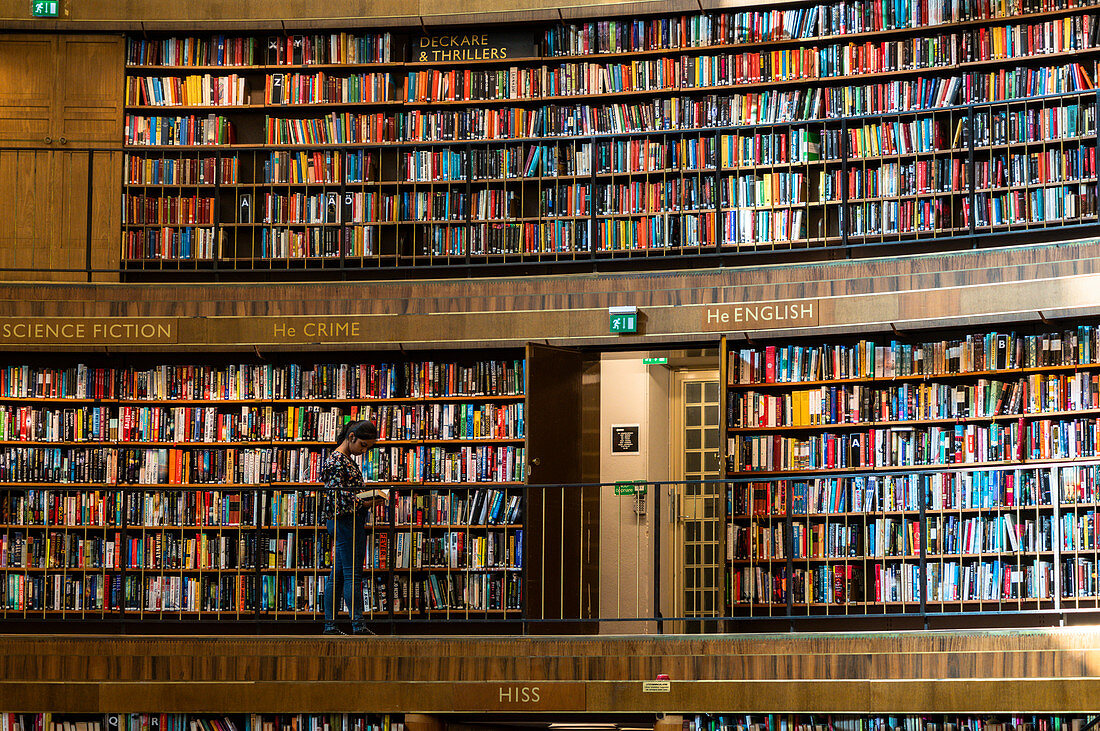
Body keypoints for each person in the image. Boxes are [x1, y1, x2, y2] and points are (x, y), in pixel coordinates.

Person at [320, 419, 385, 635]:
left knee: (337, 575)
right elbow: (335, 496)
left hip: (345, 520)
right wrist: (366, 502)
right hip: (345, 520)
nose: (364, 451)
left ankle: (330, 626)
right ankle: (358, 625)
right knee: (352, 574)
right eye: (363, 446)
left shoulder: (344, 459)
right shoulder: (338, 461)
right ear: (351, 437)